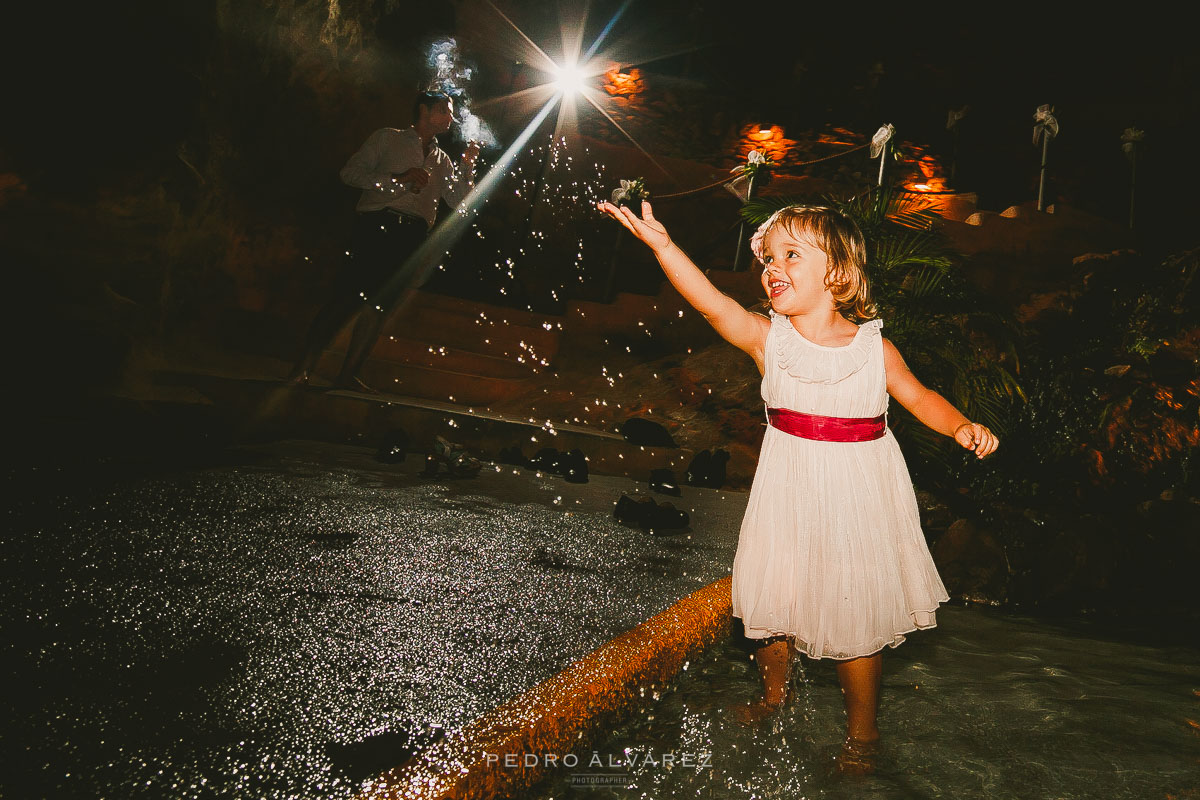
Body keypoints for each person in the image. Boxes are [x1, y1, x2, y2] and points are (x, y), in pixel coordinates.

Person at [597, 199, 999, 774]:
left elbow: (920, 397)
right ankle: (772, 695)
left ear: (836, 272)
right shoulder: (770, 342)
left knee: (855, 618)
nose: (771, 266)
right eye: (768, 257)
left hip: (860, 498)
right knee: (775, 597)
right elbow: (713, 305)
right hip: (787, 492)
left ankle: (862, 736)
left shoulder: (875, 349)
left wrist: (960, 424)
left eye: (791, 254)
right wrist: (664, 246)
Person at [289, 91, 480, 390]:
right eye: (443, 110)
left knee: (379, 308)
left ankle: (347, 376)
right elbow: (350, 174)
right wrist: (398, 178)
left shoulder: (442, 160)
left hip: (411, 236)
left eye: (451, 112)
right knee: (345, 298)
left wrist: (468, 166)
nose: (450, 118)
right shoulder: (387, 138)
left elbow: (458, 202)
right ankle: (301, 370)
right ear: (423, 110)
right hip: (376, 225)